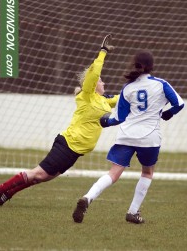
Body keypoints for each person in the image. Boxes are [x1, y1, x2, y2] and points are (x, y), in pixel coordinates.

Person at [0, 34, 119, 207]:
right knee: (38, 174)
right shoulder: (87, 95)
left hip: (75, 152)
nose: (103, 82)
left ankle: (7, 192)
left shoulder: (104, 101)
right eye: (100, 80)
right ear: (92, 83)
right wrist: (102, 53)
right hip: (67, 145)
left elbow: (122, 97)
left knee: (43, 178)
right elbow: (94, 74)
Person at [72, 50, 184, 224]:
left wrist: (105, 122)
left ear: (135, 65)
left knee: (113, 173)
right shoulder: (161, 84)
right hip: (149, 138)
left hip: (126, 135)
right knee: (147, 172)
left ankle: (88, 197)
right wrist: (168, 114)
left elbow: (118, 118)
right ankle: (132, 212)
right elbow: (179, 104)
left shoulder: (128, 88)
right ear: (152, 66)